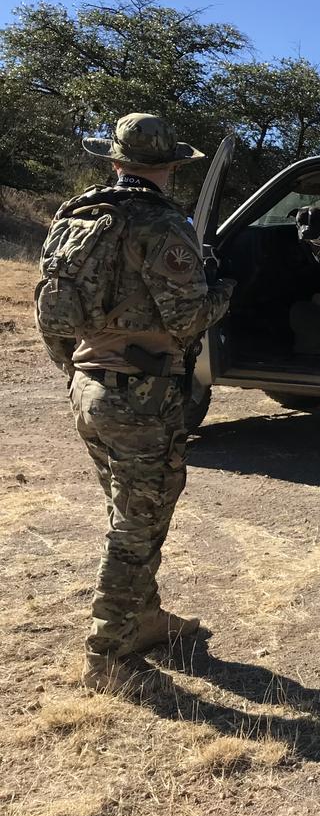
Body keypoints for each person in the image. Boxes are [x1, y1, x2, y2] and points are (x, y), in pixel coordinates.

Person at [49, 113, 235, 696]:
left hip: (89, 385)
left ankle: (144, 621)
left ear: (116, 162)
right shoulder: (160, 225)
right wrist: (222, 288)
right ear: (171, 168)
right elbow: (186, 319)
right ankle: (106, 651)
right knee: (137, 525)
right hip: (140, 394)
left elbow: (55, 313)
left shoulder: (76, 216)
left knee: (132, 510)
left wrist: (80, 369)